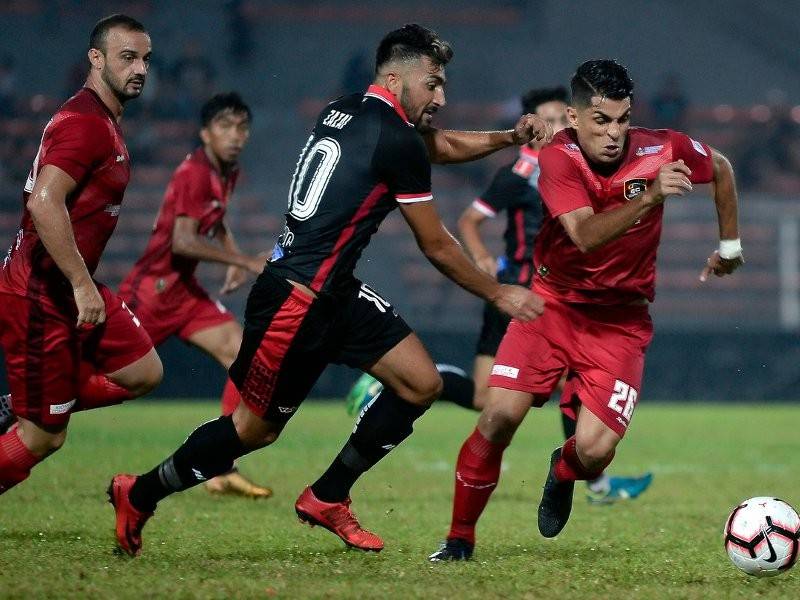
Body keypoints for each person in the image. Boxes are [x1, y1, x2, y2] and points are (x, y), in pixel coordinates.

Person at [108, 23, 551, 557]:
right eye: (433, 84)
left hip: (332, 290)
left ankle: (328, 495)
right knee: (252, 431)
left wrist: (508, 138)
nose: (442, 96)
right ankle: (140, 491)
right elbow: (436, 244)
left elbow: (437, 144)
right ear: (396, 77)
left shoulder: (342, 111)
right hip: (295, 300)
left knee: (419, 382)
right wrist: (497, 293)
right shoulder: (397, 139)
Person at [429, 59, 743, 561]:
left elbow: (721, 167)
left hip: (621, 322)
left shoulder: (662, 146)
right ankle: (458, 540)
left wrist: (728, 247)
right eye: (601, 120)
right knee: (498, 417)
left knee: (594, 454)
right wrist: (652, 195)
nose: (615, 133)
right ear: (574, 119)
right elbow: (584, 235)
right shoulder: (558, 157)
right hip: (551, 308)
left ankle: (562, 471)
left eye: (622, 119)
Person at [347, 86, 653, 504]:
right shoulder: (522, 174)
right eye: (550, 120)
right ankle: (594, 485)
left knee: (482, 397)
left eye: (563, 120)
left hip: (547, 297)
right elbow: (470, 219)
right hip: (526, 297)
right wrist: (482, 257)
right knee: (564, 383)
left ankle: (398, 378)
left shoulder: (576, 170)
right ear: (531, 125)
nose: (559, 128)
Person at [0, 15, 162, 496]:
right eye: (128, 58)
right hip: (41, 294)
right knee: (45, 437)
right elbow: (43, 202)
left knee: (143, 371)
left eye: (146, 60)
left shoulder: (103, 121)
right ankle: (31, 409)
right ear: (96, 59)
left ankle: (23, 401)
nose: (140, 70)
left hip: (69, 288)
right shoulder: (86, 124)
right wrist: (81, 283)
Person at [118, 92, 271, 498]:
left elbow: (214, 220)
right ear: (205, 133)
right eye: (224, 126)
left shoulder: (228, 171)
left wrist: (233, 257)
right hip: (152, 290)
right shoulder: (195, 173)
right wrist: (242, 260)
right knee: (108, 379)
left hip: (184, 292)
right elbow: (183, 241)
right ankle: (22, 406)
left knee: (245, 354)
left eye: (242, 127)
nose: (235, 136)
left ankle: (220, 466)